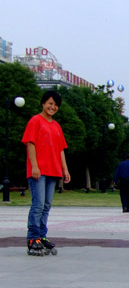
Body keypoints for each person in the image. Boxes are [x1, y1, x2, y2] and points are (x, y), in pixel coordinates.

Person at [22, 90, 71, 256]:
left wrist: (65, 169)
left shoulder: (56, 126)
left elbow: (61, 150)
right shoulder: (35, 121)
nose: (53, 107)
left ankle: (42, 236)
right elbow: (30, 144)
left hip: (53, 170)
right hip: (39, 170)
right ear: (43, 103)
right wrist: (34, 166)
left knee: (46, 205)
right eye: (50, 103)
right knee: (38, 204)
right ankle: (33, 238)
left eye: (56, 105)